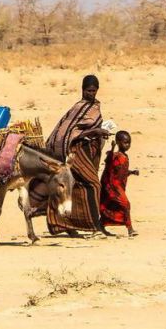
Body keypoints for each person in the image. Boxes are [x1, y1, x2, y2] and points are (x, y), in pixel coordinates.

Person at [42, 74, 111, 236]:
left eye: (94, 91)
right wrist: (96, 130)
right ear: (82, 89)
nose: (91, 94)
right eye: (88, 91)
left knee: (78, 187)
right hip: (72, 151)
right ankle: (94, 226)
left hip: (84, 151)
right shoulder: (79, 107)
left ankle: (70, 225)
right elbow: (72, 131)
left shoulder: (94, 107)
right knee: (94, 185)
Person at [100, 131, 139, 237]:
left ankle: (101, 224)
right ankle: (130, 229)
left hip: (119, 187)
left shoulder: (124, 156)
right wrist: (112, 149)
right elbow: (108, 163)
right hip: (112, 187)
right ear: (118, 142)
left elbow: (121, 172)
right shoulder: (115, 156)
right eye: (125, 142)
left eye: (129, 143)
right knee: (125, 204)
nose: (127, 145)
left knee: (110, 206)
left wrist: (131, 172)